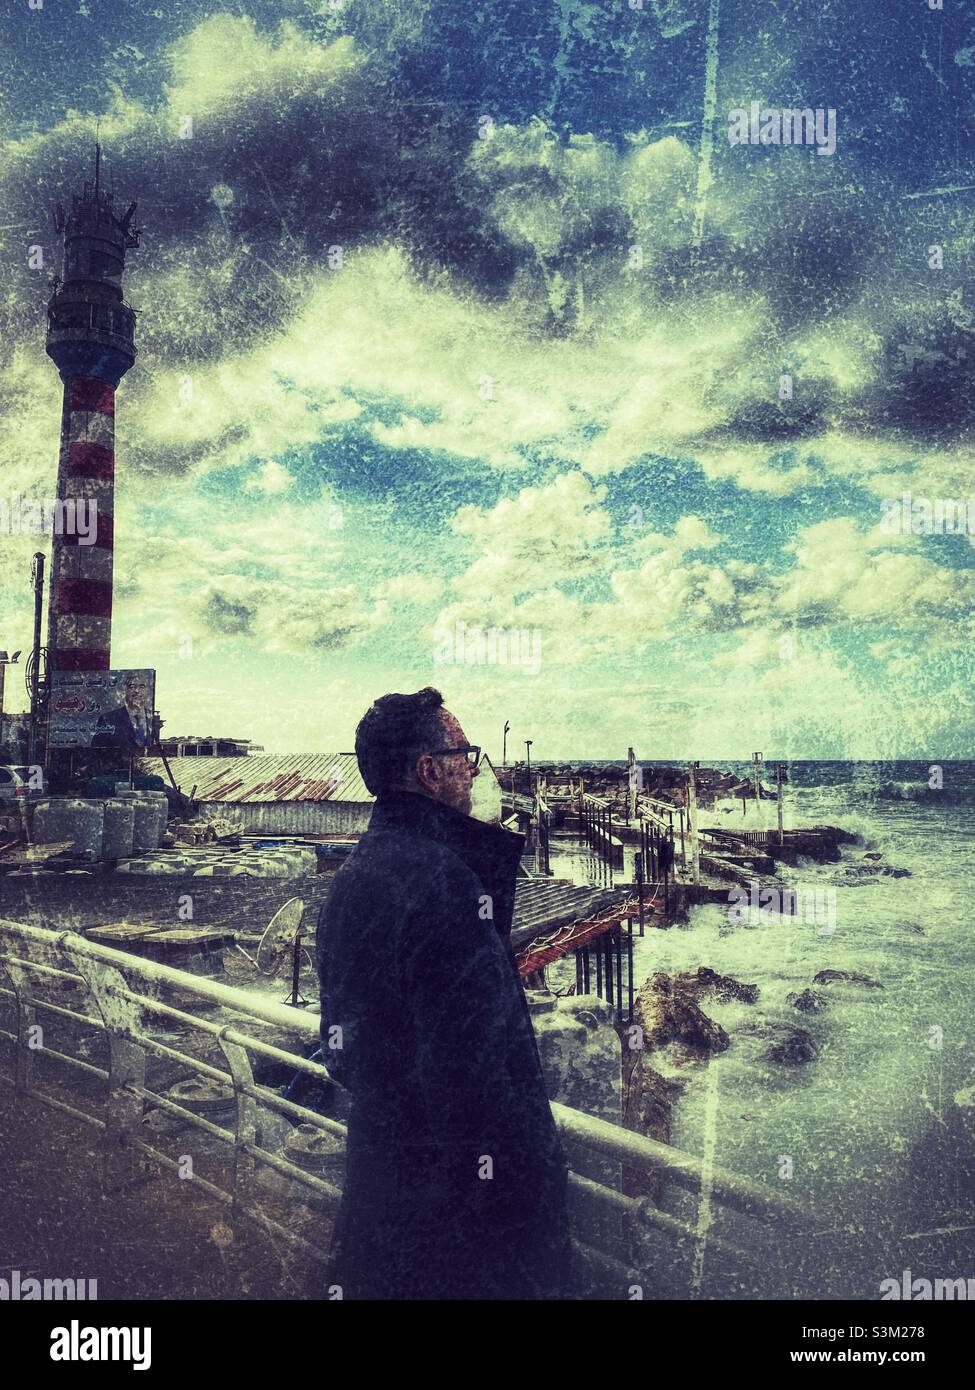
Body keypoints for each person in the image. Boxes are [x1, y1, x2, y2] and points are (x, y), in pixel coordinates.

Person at [316, 687, 573, 1300]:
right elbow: (472, 1081)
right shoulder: (446, 885)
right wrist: (526, 1194)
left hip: (383, 1186)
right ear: (429, 771)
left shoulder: (353, 877)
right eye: (466, 753)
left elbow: (347, 1048)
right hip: (456, 1230)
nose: (474, 768)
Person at [91, 672, 152, 753]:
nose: (137, 691)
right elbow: (96, 752)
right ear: (124, 691)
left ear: (147, 691)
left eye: (141, 686)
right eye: (132, 687)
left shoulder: (153, 718)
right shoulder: (108, 719)